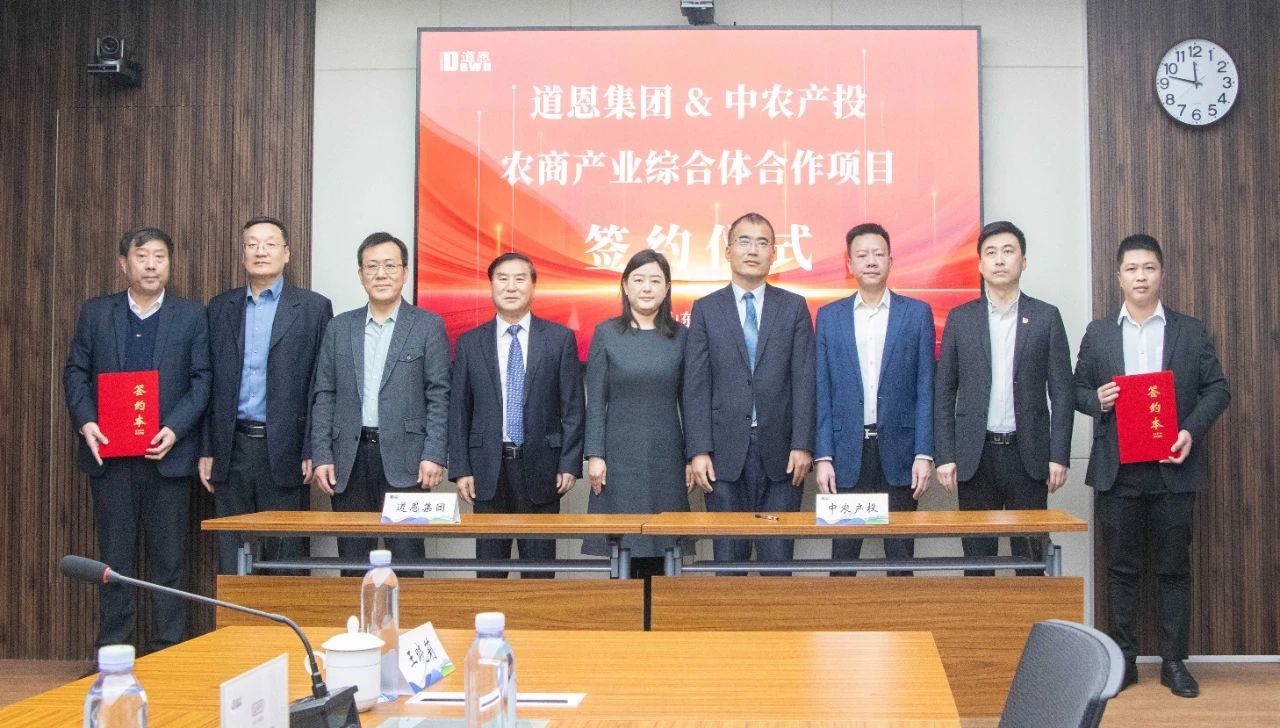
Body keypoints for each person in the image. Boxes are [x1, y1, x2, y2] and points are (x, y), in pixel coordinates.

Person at [1073, 234, 1229, 697]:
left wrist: (1189, 431)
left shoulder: (1189, 331)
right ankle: (1124, 662)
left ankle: (1174, 662)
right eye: (1132, 269)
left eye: (1149, 268)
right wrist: (1096, 400)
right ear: (1118, 277)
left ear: (1161, 274)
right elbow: (1076, 390)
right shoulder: (1099, 333)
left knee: (1174, 569)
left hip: (1172, 467)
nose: (1140, 277)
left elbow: (1217, 389)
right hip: (1118, 470)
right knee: (1121, 569)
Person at [64, 227, 211, 650]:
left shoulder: (190, 315)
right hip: (110, 460)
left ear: (169, 263)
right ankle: (114, 652)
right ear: (123, 264)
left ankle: (169, 651)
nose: (151, 265)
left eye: (159, 257)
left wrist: (175, 429)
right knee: (114, 563)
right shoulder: (96, 313)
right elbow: (75, 372)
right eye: (142, 256)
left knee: (170, 563)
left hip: (167, 459)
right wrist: (86, 421)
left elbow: (202, 380)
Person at [934, 220, 1073, 576]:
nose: (999, 260)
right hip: (975, 457)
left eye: (1008, 252)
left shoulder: (1045, 317)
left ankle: (1031, 615)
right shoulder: (961, 319)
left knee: (1030, 562)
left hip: (1028, 457)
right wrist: (945, 455)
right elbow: (944, 390)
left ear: (1023, 261)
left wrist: (1058, 455)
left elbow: (1062, 391)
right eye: (991, 253)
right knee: (978, 563)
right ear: (980, 264)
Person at [682, 212, 816, 572]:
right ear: (728, 250)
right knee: (728, 559)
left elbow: (805, 380)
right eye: (744, 241)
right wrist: (698, 450)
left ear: (774, 253)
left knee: (778, 560)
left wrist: (803, 444)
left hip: (784, 454)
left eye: (762, 242)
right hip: (722, 456)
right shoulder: (707, 309)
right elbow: (696, 386)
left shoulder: (793, 307)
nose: (752, 250)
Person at [310, 232, 450, 568]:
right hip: (349, 459)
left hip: (408, 460)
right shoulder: (339, 327)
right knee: (353, 561)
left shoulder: (428, 326)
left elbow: (439, 394)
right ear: (361, 275)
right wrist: (322, 454)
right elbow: (324, 393)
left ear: (405, 272)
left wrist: (433, 453)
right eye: (372, 267)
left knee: (408, 560)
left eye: (389, 266)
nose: (381, 274)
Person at [201, 216, 332, 574]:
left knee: (286, 557)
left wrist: (313, 448)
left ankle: (285, 614)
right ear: (243, 253)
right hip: (232, 447)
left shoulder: (313, 308)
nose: (261, 251)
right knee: (233, 557)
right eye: (252, 244)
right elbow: (208, 383)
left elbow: (321, 385)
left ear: (286, 253)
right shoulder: (220, 308)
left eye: (270, 244)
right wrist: (207, 448)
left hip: (287, 449)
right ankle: (236, 614)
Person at [448, 252, 585, 578]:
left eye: (520, 279)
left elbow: (573, 408)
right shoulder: (469, 343)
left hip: (542, 467)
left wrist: (569, 463)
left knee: (539, 571)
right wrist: (461, 468)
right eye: (503, 279)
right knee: (490, 572)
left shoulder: (559, 339)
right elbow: (459, 411)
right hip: (487, 470)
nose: (511, 287)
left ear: (533, 286)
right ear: (491, 286)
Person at [814, 223, 934, 576]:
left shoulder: (917, 314)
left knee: (900, 559)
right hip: (846, 456)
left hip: (900, 455)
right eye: (862, 255)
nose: (871, 261)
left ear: (891, 261)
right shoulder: (829, 317)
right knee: (843, 559)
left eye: (879, 254)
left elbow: (925, 386)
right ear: (849, 264)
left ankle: (900, 615)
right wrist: (823, 456)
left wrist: (923, 453)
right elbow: (822, 389)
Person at [583, 249, 692, 586]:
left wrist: (693, 456)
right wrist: (595, 455)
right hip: (619, 457)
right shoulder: (606, 333)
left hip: (667, 456)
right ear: (625, 286)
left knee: (665, 546)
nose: (647, 288)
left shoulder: (681, 336)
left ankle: (662, 617)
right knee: (624, 546)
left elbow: (690, 402)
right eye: (639, 279)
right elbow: (595, 400)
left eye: (655, 281)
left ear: (667, 288)